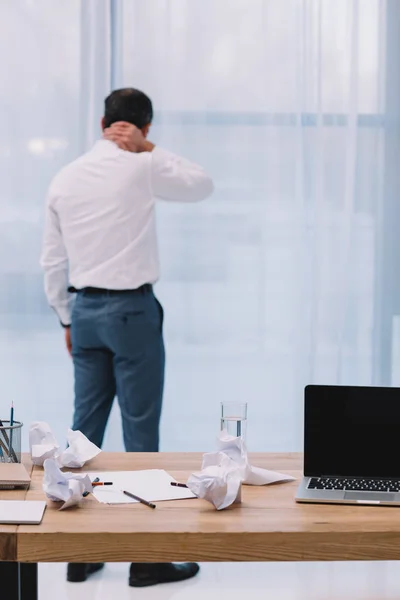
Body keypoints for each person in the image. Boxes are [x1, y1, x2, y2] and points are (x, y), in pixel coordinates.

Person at [40, 88, 214, 587]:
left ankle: (81, 555)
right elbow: (200, 185)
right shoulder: (143, 164)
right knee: (141, 437)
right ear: (145, 127)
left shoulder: (65, 176)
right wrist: (149, 151)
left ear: (101, 122)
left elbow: (51, 260)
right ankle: (145, 559)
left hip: (85, 310)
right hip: (132, 311)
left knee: (82, 434)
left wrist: (66, 319)